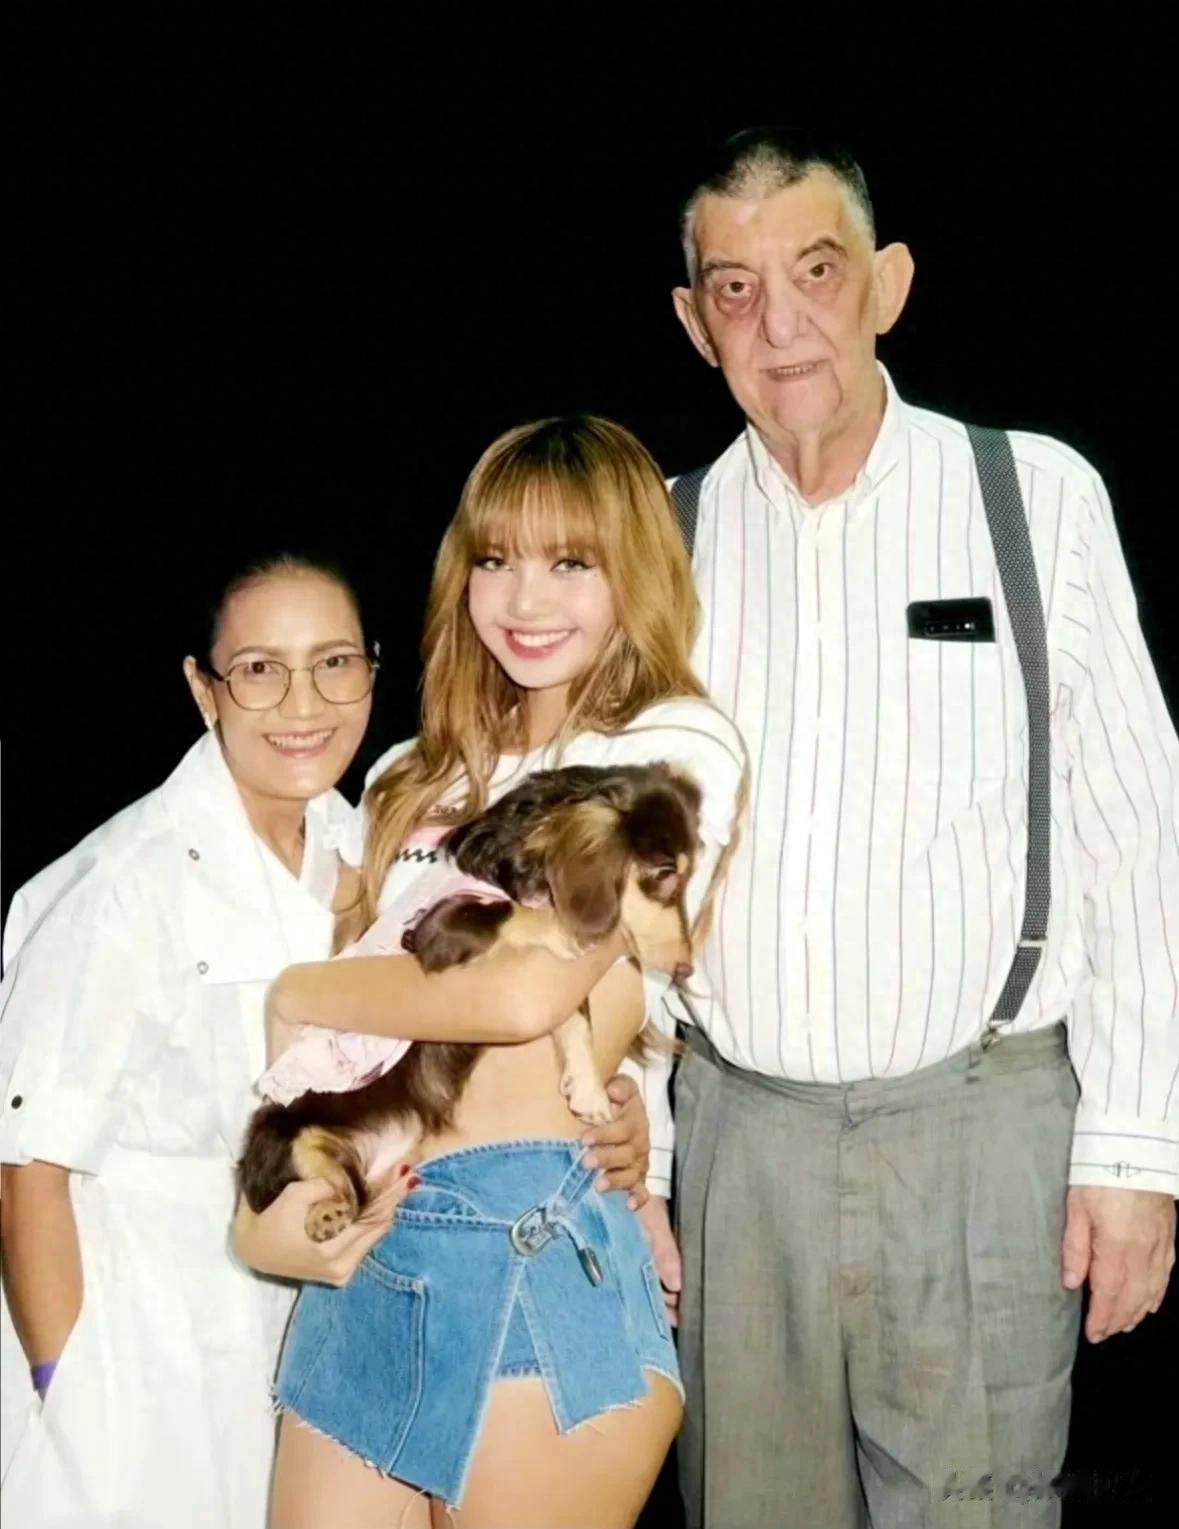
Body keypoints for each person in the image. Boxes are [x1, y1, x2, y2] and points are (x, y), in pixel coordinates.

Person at [652, 127, 1179, 1529]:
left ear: (886, 283)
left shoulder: (1034, 497)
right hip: (736, 1143)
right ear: (695, 325)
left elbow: (1133, 833)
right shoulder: (655, 538)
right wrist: (640, 1168)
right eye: (735, 288)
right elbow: (613, 878)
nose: (780, 322)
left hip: (980, 1133)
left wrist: (1133, 1154)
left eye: (815, 271)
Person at [0, 552, 652, 1529]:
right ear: (204, 689)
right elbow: (28, 1172)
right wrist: (69, 1393)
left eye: (334, 663)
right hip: (135, 1347)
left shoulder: (367, 857)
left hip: (306, 1330)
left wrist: (612, 1109)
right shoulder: (125, 884)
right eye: (260, 669)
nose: (302, 703)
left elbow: (436, 1053)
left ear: (372, 673)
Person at [238, 415, 747, 1529]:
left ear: (635, 573)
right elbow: (346, 1049)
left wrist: (297, 988)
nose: (525, 598)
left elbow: (521, 995)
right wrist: (279, 1198)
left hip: (536, 1241)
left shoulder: (667, 749)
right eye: (496, 558)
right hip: (374, 1248)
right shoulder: (405, 777)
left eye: (571, 562)